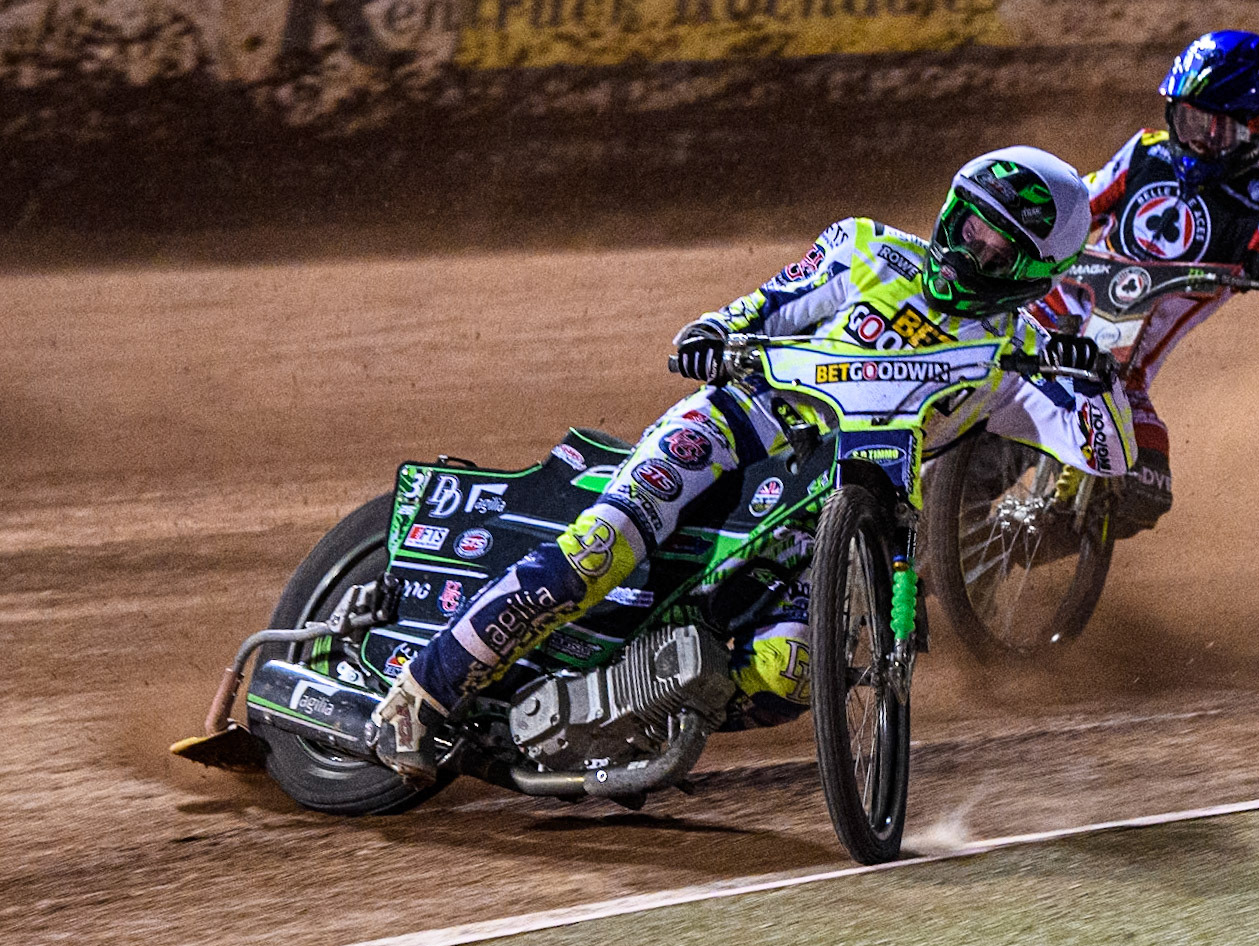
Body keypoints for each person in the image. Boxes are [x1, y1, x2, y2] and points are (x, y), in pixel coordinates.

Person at [368, 147, 1136, 781]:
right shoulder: (868, 249)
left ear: (1035, 271)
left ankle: (637, 710)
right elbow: (761, 307)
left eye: (998, 244)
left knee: (792, 673)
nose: (972, 244)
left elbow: (1106, 456)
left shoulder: (1018, 355)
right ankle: (418, 694)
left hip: (832, 513)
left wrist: (1097, 376)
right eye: (970, 222)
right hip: (744, 422)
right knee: (600, 547)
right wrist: (709, 332)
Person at [1033, 29, 1259, 538]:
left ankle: (1060, 539)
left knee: (1147, 486)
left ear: (1256, 133)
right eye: (1193, 122)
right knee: (976, 368)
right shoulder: (1143, 153)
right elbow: (1080, 202)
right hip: (1053, 306)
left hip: (1122, 366)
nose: (1202, 140)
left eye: (1221, 131)